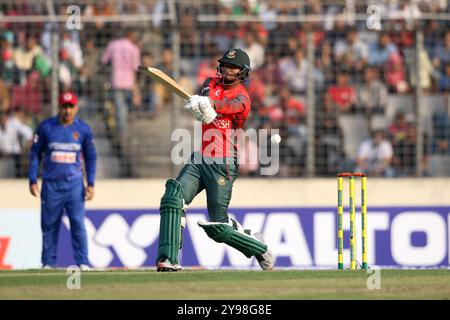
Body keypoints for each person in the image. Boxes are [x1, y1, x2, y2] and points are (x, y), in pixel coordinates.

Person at [155, 48, 274, 272]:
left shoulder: (243, 97)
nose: (228, 70)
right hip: (200, 158)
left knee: (219, 225)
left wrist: (212, 106)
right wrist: (200, 105)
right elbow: (206, 97)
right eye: (225, 65)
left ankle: (259, 247)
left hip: (223, 163)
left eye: (234, 67)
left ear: (243, 72)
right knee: (173, 197)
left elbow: (231, 107)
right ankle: (168, 259)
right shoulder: (211, 82)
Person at [28, 92, 96, 270]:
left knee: (78, 224)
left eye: (70, 107)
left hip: (74, 185)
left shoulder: (83, 129)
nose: (67, 111)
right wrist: (32, 179)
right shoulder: (46, 127)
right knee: (49, 225)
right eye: (64, 107)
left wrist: (91, 183)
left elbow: (91, 157)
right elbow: (35, 153)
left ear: (76, 108)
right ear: (59, 107)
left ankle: (82, 262)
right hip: (51, 185)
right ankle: (48, 263)